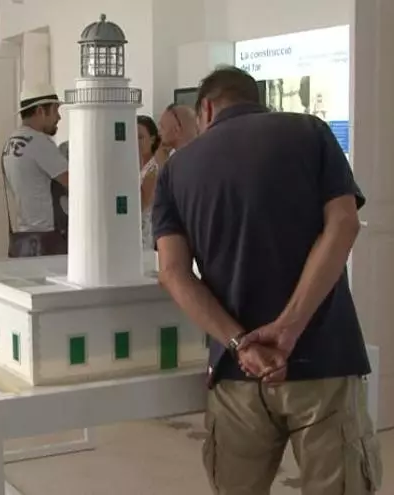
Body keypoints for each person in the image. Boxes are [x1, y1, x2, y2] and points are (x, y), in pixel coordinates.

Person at [151, 66, 381, 495]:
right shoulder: (310, 133)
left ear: (206, 109)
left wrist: (241, 343)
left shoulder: (177, 170)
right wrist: (289, 327)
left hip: (237, 371)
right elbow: (344, 224)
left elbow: (173, 273)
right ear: (256, 100)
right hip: (324, 358)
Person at [1, 82, 69, 258]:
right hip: (44, 238)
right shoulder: (38, 142)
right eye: (55, 110)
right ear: (40, 111)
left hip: (21, 237)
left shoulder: (11, 142)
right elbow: (72, 182)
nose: (58, 117)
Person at [136, 115, 160, 250]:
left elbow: (143, 203)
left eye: (140, 137)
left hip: (144, 231)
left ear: (152, 139)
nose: (136, 142)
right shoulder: (137, 165)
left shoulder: (153, 169)